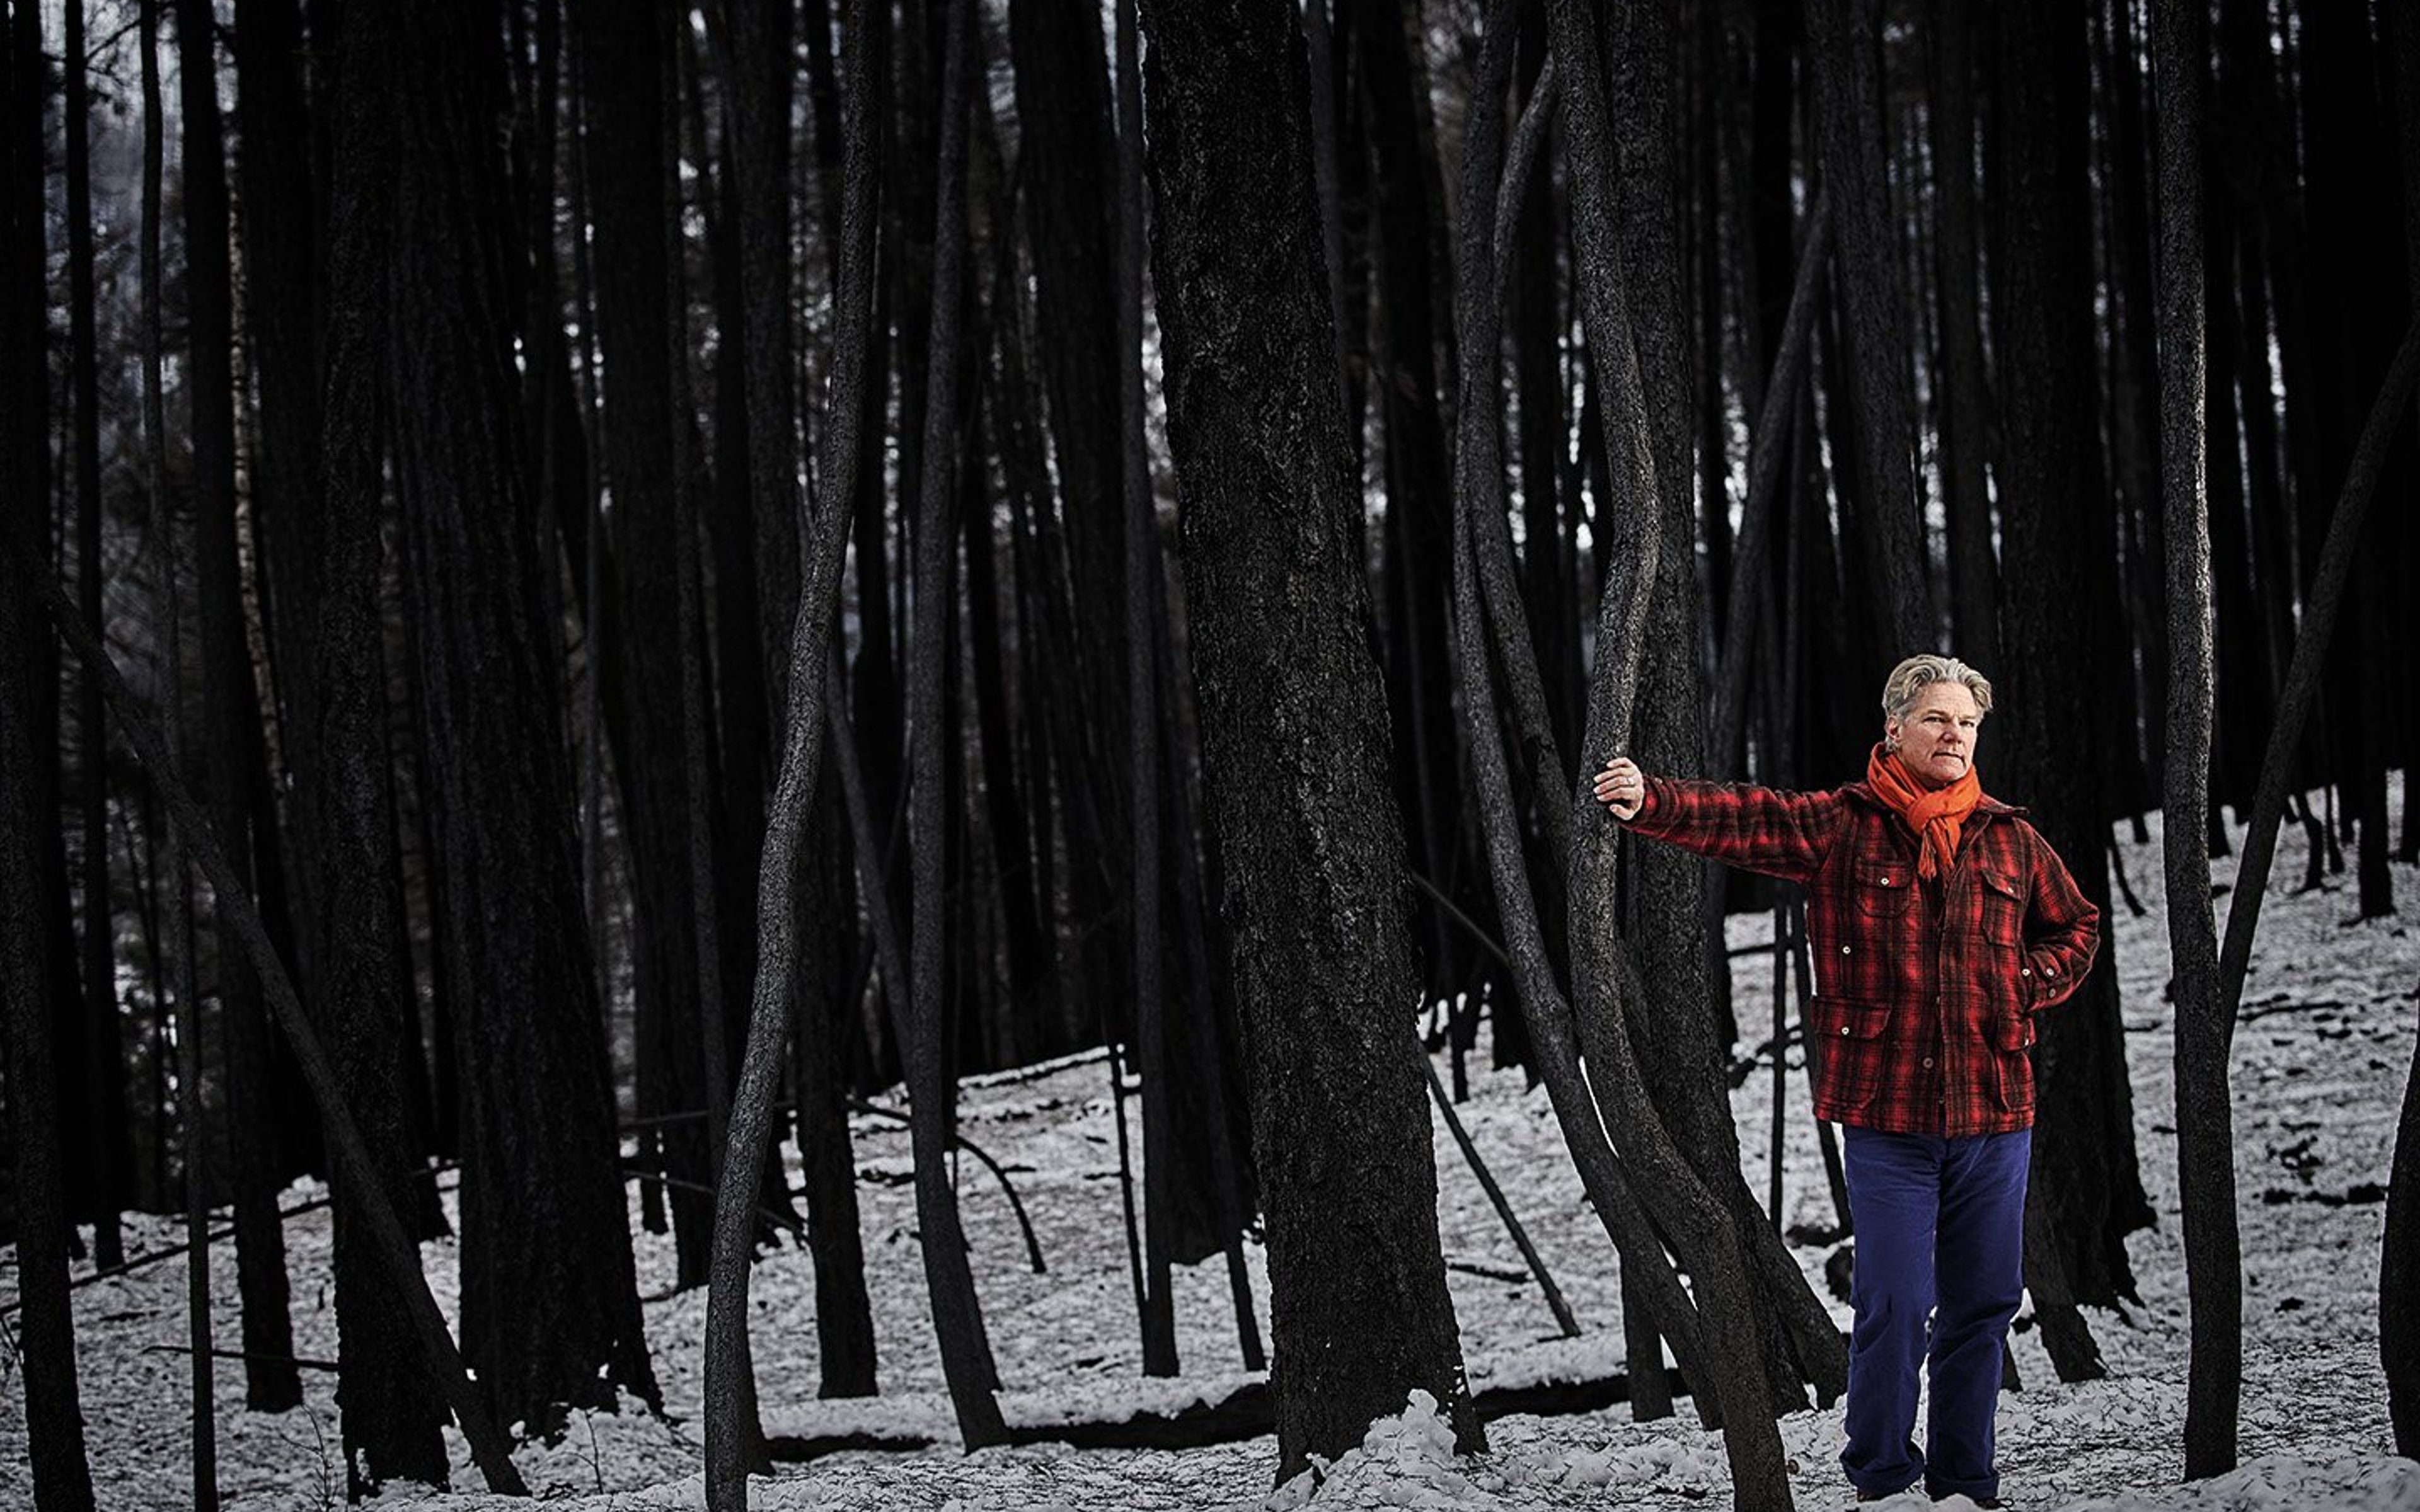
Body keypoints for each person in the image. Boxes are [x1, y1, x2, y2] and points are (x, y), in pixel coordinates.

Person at [1592, 653, 2099, 1509]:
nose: (1954, 735)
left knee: (1983, 1305)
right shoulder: (1845, 826)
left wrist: (2025, 983)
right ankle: (1884, 1478)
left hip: (1995, 1115)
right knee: (1896, 1301)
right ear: (1895, 727)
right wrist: (1654, 801)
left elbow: (2076, 927)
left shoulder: (2010, 839)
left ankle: (1965, 1485)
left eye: (1967, 723)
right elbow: (1749, 819)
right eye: (1938, 719)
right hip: (1887, 1117)